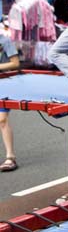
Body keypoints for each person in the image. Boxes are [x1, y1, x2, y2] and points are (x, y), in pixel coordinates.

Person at [0, 34, 20, 172]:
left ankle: (10, 157)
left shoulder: (4, 40)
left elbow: (15, 63)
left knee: (2, 120)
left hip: (3, 84)